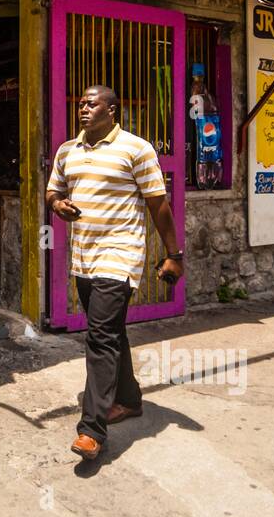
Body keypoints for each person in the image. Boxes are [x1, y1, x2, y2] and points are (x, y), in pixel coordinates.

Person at [46, 85, 182, 462]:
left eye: (91, 103)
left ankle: (92, 430)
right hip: (83, 259)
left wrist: (175, 254)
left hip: (119, 257)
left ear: (112, 109)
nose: (82, 108)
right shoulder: (67, 150)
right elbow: (52, 191)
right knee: (111, 330)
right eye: (80, 103)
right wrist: (59, 204)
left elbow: (159, 204)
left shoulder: (136, 149)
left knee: (99, 336)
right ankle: (129, 399)